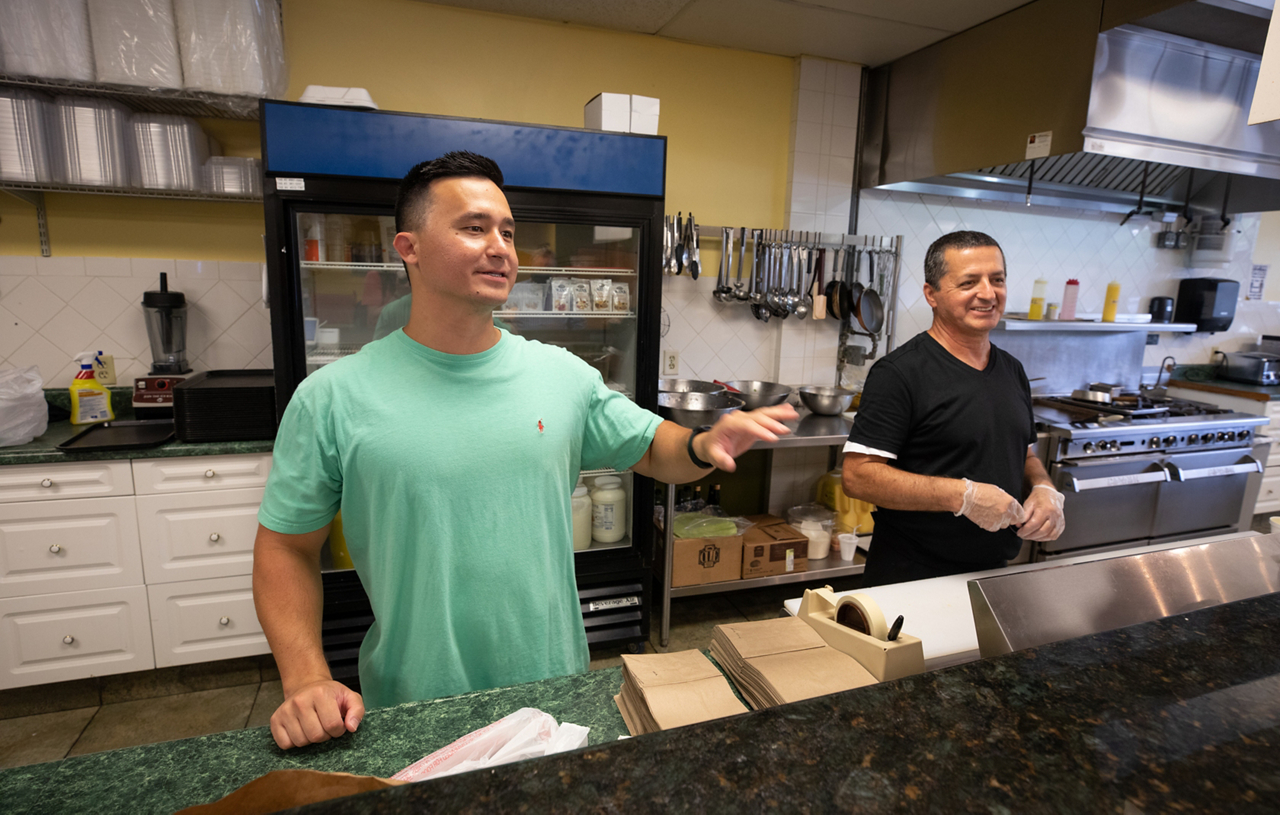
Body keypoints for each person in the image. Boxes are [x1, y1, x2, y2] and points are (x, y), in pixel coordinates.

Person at [252, 151, 797, 750]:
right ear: (408, 247)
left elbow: (652, 446)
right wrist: (305, 677)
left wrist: (702, 441)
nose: (501, 247)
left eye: (508, 232)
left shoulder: (561, 376)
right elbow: (284, 545)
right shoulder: (332, 398)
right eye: (474, 227)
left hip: (552, 699)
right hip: (412, 708)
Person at [841, 230, 1065, 586]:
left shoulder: (1012, 370)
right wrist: (963, 496)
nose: (988, 293)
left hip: (993, 574)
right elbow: (858, 475)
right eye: (968, 282)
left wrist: (1043, 489)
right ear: (932, 294)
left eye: (997, 280)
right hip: (911, 576)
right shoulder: (899, 373)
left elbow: (1021, 453)